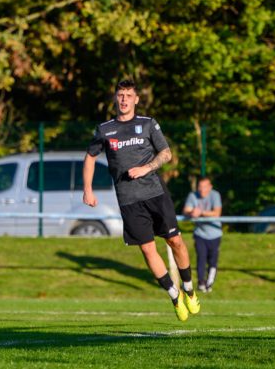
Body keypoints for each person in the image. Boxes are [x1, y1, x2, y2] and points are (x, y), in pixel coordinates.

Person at [82, 79, 200, 322]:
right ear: (115, 98)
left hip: (156, 194)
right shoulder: (105, 129)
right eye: (120, 95)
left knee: (175, 241)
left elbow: (166, 153)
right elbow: (90, 157)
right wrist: (87, 190)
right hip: (128, 200)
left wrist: (146, 168)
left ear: (136, 99)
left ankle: (189, 288)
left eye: (128, 95)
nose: (124, 99)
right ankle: (175, 296)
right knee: (147, 249)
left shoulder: (148, 124)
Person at [183, 176, 222, 292]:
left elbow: (217, 213)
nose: (202, 189)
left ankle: (209, 283)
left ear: (210, 187)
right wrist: (192, 212)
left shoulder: (215, 195)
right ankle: (201, 283)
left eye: (205, 187)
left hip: (215, 234)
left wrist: (201, 213)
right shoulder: (192, 195)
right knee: (201, 258)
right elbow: (186, 210)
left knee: (212, 260)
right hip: (200, 233)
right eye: (200, 187)